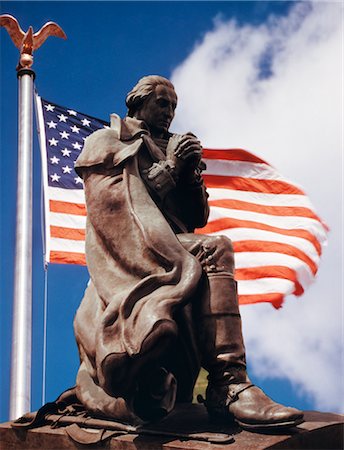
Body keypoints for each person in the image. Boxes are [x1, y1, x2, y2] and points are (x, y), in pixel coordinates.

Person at [73, 75, 303, 429]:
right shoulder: (108, 141)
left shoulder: (171, 146)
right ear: (138, 103)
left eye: (174, 107)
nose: (169, 113)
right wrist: (171, 167)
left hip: (174, 244)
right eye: (162, 104)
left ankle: (228, 382)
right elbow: (118, 210)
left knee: (208, 244)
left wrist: (192, 174)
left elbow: (196, 217)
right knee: (215, 248)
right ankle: (229, 383)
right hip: (136, 250)